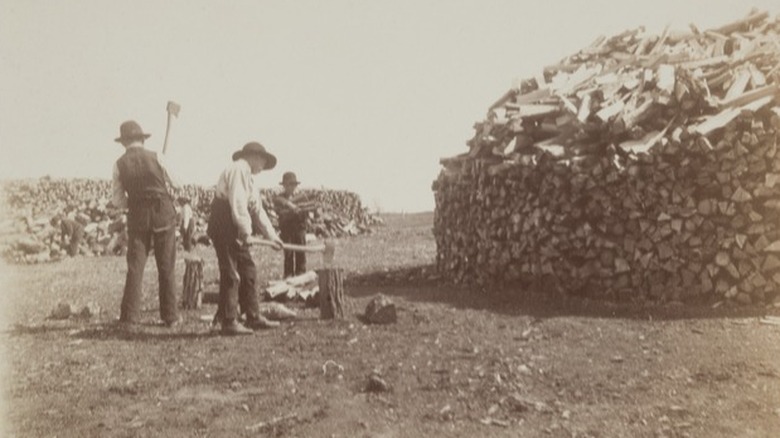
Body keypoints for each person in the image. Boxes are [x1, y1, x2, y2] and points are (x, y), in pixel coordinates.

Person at [207, 142, 284, 335]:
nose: (263, 167)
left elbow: (257, 211)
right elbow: (238, 204)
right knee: (232, 272)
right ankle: (229, 320)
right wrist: (246, 231)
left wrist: (273, 236)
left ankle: (252, 315)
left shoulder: (250, 179)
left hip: (235, 224)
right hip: (224, 223)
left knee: (248, 269)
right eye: (263, 162)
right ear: (254, 156)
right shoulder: (239, 169)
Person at [111, 120, 181, 327]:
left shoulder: (118, 164)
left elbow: (117, 200)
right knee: (166, 266)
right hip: (163, 214)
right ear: (142, 139)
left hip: (138, 217)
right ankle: (170, 317)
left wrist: (134, 203)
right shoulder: (157, 157)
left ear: (123, 142)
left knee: (135, 267)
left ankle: (129, 316)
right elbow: (177, 182)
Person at [273, 172, 309, 278]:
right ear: (284, 185)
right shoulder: (280, 198)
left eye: (293, 184)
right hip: (287, 229)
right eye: (289, 184)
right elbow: (279, 211)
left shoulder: (302, 197)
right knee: (288, 253)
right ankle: (288, 275)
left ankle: (301, 274)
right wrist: (290, 208)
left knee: (301, 253)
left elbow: (306, 214)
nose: (291, 187)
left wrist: (299, 212)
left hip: (299, 228)